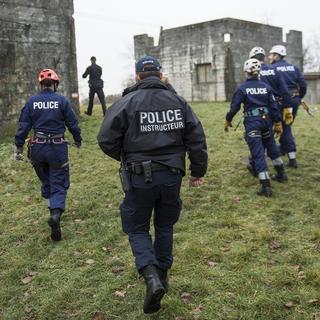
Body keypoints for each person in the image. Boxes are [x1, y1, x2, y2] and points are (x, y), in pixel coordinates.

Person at [97, 56, 208, 314]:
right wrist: (197, 171)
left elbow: (105, 139)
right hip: (171, 176)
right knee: (165, 224)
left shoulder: (126, 102)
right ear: (160, 75)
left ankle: (151, 276)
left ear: (137, 76)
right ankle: (163, 275)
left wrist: (126, 157)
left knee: (136, 228)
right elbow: (197, 137)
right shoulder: (178, 101)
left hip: (139, 178)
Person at [14, 69, 82, 241]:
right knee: (58, 181)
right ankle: (56, 214)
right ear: (55, 84)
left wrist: (19, 147)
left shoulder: (32, 101)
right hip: (57, 149)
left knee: (46, 180)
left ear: (40, 84)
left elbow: (23, 126)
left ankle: (52, 211)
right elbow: (72, 123)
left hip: (37, 148)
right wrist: (77, 139)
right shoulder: (62, 100)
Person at [224, 58, 286, 196]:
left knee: (258, 154)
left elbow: (234, 107)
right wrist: (278, 123)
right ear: (259, 72)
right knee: (271, 146)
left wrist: (228, 120)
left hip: (253, 123)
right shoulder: (266, 87)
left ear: (246, 72)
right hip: (267, 122)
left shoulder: (242, 88)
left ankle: (266, 187)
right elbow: (274, 107)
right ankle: (281, 174)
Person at [247, 46, 291, 181]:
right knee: (269, 138)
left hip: (258, 112)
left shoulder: (254, 72)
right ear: (263, 57)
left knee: (256, 139)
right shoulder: (274, 70)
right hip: (275, 107)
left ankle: (256, 166)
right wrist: (287, 108)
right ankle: (279, 170)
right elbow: (284, 90)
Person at [269, 45, 307, 168]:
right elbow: (303, 84)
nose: (270, 57)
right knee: (287, 126)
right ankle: (290, 155)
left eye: (271, 54)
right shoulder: (294, 68)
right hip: (293, 102)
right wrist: (299, 97)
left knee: (277, 127)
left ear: (276, 55)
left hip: (279, 102)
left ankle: (281, 157)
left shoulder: (272, 69)